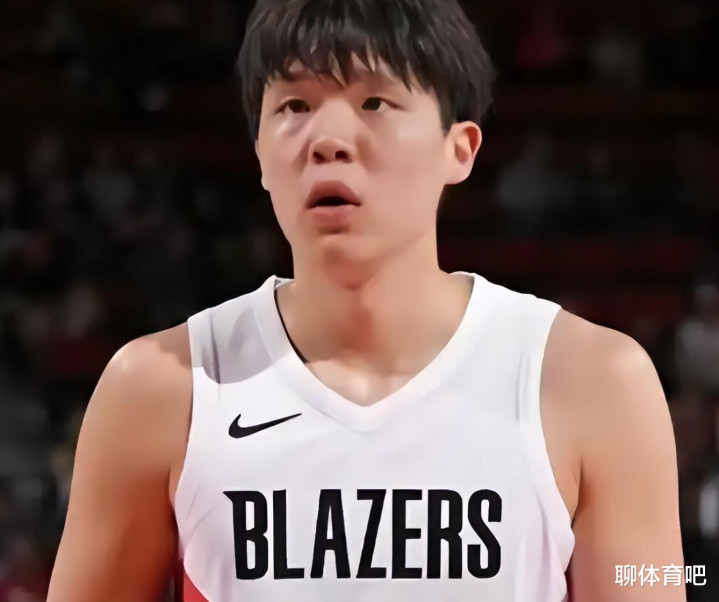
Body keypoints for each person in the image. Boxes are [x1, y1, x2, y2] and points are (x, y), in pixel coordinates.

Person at [47, 0, 685, 600]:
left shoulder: (595, 384)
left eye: (375, 101)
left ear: (459, 149)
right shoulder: (161, 390)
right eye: (294, 104)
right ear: (261, 155)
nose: (327, 138)